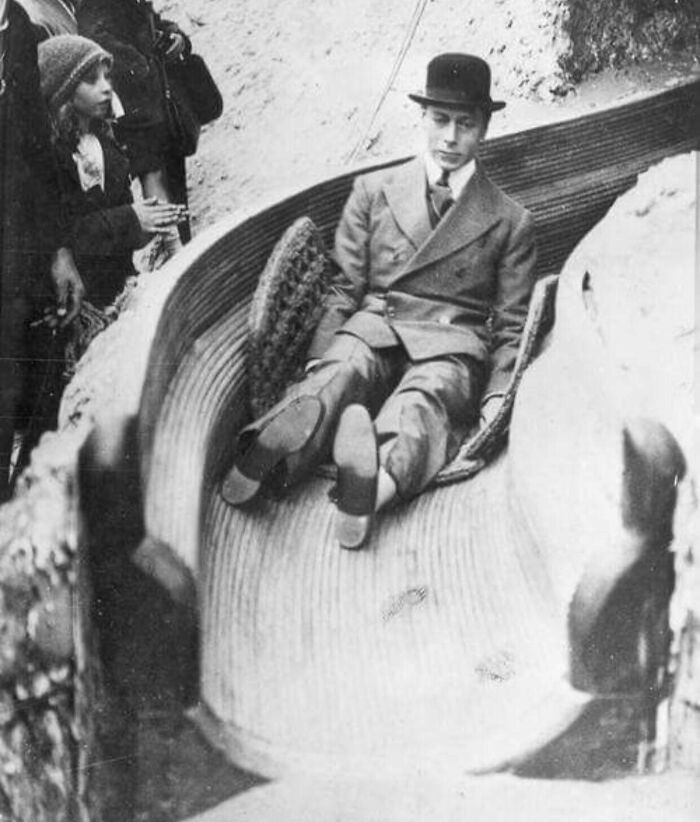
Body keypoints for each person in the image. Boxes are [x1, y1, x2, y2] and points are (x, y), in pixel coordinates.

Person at [222, 54, 537, 550]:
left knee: (422, 405)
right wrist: (316, 358)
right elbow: (344, 288)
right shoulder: (374, 190)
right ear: (423, 119)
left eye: (465, 124)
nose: (450, 138)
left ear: (485, 129)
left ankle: (371, 488)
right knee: (341, 370)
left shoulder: (509, 219)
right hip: (378, 323)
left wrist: (498, 393)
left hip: (451, 347)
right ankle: (270, 448)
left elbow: (513, 324)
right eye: (439, 120)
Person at [0, 0, 85, 499]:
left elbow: (32, 145)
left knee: (35, 389)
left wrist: (58, 251)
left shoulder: (15, 25)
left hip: (20, 254)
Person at [37, 34, 185, 309]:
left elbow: (121, 222)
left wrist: (150, 226)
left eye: (108, 77)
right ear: (62, 89)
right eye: (91, 79)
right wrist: (131, 219)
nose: (106, 88)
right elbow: (60, 233)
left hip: (118, 286)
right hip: (78, 300)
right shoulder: (50, 160)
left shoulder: (104, 144)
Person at [77, 0, 192, 250]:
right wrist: (141, 65)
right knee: (154, 175)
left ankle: (185, 245)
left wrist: (175, 35)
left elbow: (151, 20)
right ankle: (176, 252)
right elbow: (95, 38)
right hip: (133, 107)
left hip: (158, 99)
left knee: (173, 173)